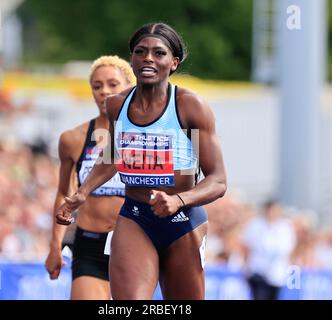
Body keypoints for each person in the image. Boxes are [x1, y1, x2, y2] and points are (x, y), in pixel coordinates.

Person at [56, 22, 227, 300]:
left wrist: (178, 200)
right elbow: (112, 158)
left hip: (182, 221)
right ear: (132, 60)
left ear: (173, 63)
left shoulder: (189, 107)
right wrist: (82, 193)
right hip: (136, 217)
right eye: (140, 51)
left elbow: (218, 180)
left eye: (158, 53)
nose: (148, 58)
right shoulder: (117, 105)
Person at [45, 56, 135, 300]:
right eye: (97, 86)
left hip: (134, 246)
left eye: (113, 84)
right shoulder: (73, 139)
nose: (104, 91)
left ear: (130, 86)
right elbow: (64, 193)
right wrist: (56, 244)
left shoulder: (146, 136)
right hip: (90, 244)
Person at [242, 200, 296, 300]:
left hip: (276, 273)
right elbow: (247, 247)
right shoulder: (255, 225)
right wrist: (246, 267)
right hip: (257, 271)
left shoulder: (284, 228)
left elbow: (288, 249)